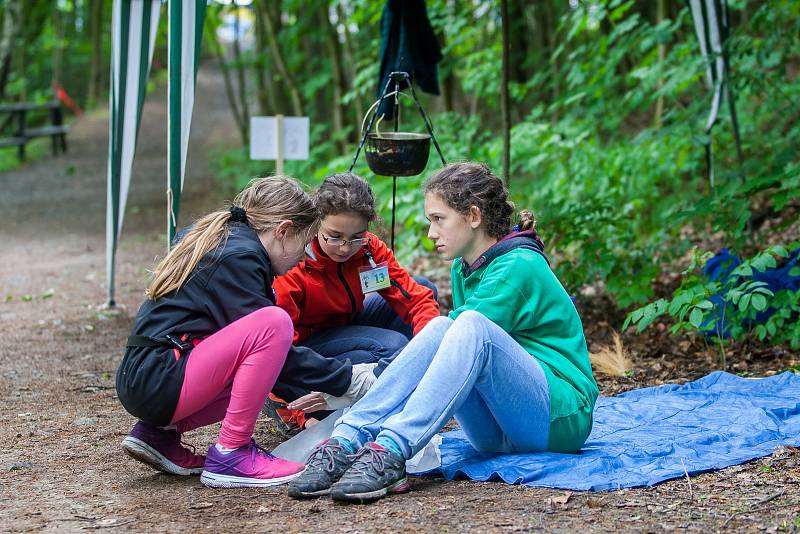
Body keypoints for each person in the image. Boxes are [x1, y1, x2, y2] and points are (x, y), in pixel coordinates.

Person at [287, 162, 599, 502]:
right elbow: (448, 352)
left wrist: (350, 385)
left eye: (438, 219)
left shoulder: (518, 266)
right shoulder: (462, 267)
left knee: (464, 325)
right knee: (443, 324)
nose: (431, 232)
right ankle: (345, 440)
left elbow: (457, 345)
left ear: (474, 216)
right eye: (429, 221)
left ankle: (391, 449)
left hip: (559, 419)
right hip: (497, 430)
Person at [116, 176, 354, 489]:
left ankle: (158, 435)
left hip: (149, 375)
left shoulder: (227, 241)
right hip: (158, 377)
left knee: (261, 350)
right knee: (275, 323)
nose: (304, 256)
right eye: (305, 242)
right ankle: (233, 451)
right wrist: (349, 380)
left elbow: (262, 364)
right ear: (283, 231)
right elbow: (277, 352)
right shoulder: (238, 257)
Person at [267, 172, 440, 431]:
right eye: (334, 236)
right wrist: (297, 416)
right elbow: (275, 352)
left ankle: (398, 394)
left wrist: (429, 351)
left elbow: (415, 300)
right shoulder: (294, 263)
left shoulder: (368, 251)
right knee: (391, 347)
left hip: (347, 324)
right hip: (305, 345)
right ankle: (374, 400)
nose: (345, 248)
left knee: (425, 290)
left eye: (356, 237)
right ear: (317, 223)